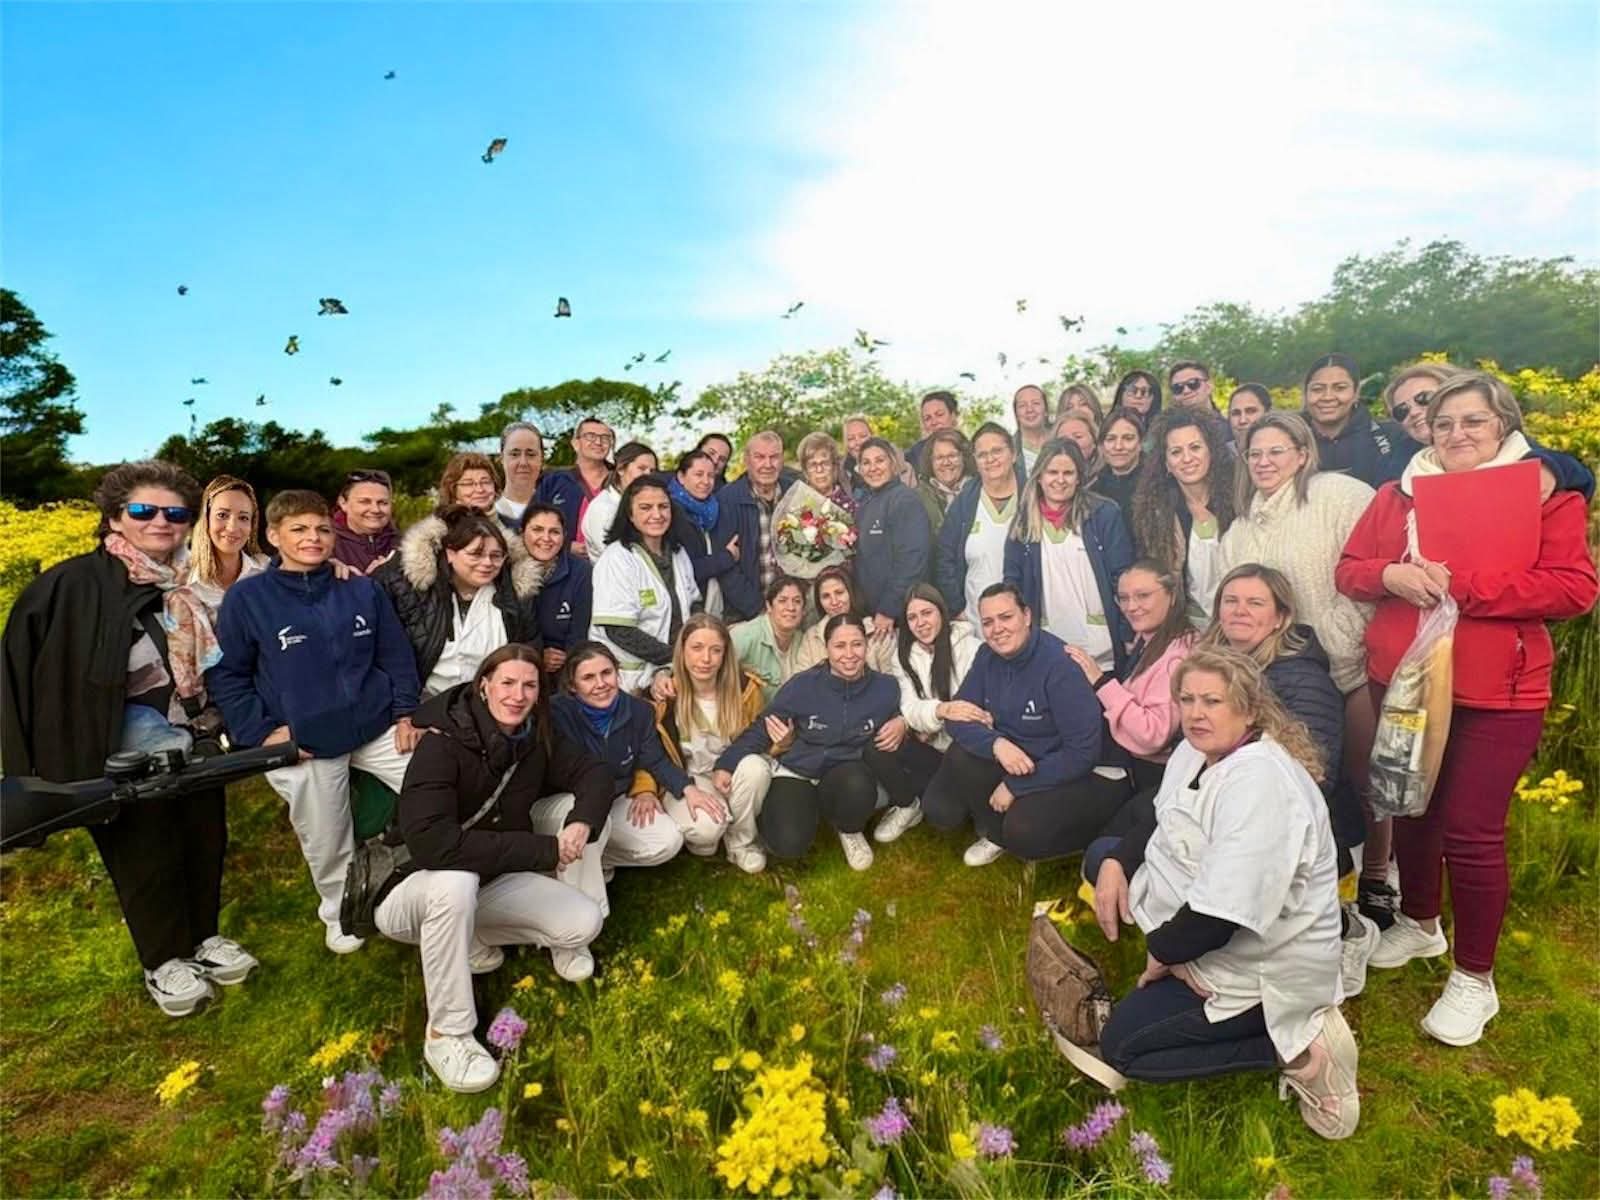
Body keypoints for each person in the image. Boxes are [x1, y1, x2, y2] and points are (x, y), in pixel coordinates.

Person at [1336, 371, 1597, 1045]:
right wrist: (1390, 574)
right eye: (1444, 423)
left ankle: (1474, 978)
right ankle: (1421, 922)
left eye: (1473, 421)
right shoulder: (1399, 492)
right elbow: (1351, 569)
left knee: (1473, 831)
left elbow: (1573, 588)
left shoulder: (1544, 493)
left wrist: (1464, 587)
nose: (1456, 433)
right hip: (1404, 680)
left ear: (1503, 424)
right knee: (1411, 806)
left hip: (1497, 689)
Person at [2, 460, 257, 1017]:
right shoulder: (70, 586)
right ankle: (163, 961)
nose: (160, 522)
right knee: (145, 852)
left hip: (193, 738)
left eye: (175, 514)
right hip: (116, 751)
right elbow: (21, 671)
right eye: (143, 510)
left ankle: (202, 937)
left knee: (203, 840)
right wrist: (29, 769)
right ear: (115, 517)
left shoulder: (182, 584)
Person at [1080, 648, 1358, 1141]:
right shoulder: (1196, 751)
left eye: (1212, 701)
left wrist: (1162, 955)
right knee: (1100, 857)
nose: (1196, 713)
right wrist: (1117, 863)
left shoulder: (1261, 784)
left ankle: (1297, 1051)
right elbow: (1161, 813)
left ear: (1249, 710)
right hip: (1196, 918)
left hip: (1257, 964)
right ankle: (1179, 973)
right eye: (1187, 699)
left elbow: (1218, 918)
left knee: (1123, 1046)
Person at [379, 645, 609, 1091]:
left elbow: (594, 773)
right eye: (507, 683)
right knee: (455, 883)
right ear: (483, 686)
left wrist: (581, 822)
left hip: (488, 881)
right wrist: (541, 851)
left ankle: (471, 937)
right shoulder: (442, 743)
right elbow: (432, 846)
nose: (517, 695)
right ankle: (447, 1033)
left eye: (529, 686)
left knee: (582, 921)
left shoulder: (533, 736)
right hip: (413, 890)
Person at [208, 489, 420, 955]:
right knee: (326, 835)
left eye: (322, 529)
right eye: (299, 529)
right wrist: (264, 733)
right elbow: (227, 674)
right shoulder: (248, 599)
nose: (313, 538)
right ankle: (340, 911)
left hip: (375, 723)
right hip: (305, 740)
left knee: (437, 779)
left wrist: (406, 712)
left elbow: (396, 655)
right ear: (273, 536)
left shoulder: (359, 589)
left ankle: (424, 877)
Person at [921, 583, 1105, 866]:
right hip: (1010, 755)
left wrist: (1016, 786)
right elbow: (957, 716)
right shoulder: (987, 656)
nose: (997, 629)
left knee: (1023, 830)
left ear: (1027, 616)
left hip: (1055, 766)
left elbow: (1082, 753)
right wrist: (996, 744)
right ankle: (995, 832)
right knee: (945, 793)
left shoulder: (1060, 666)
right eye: (988, 622)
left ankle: (1073, 838)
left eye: (1006, 617)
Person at [715, 613, 904, 871]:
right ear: (827, 649)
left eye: (857, 644)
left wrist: (902, 721)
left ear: (866, 645)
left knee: (860, 785)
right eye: (840, 646)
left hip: (845, 772)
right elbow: (763, 727)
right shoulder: (803, 685)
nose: (849, 654)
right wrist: (727, 764)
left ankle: (849, 829)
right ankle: (793, 815)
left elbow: (904, 711)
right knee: (788, 844)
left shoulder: (885, 688)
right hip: (798, 770)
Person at [550, 642, 707, 880]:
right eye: (588, 678)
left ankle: (601, 858)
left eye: (606, 673)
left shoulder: (639, 711)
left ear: (618, 672)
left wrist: (688, 788)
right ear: (572, 685)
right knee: (582, 820)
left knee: (668, 841)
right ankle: (575, 873)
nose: (601, 684)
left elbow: (655, 759)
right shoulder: (556, 713)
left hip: (615, 798)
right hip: (571, 801)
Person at [648, 613, 775, 873]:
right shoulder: (666, 696)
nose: (705, 659)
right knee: (706, 834)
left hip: (732, 772)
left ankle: (741, 842)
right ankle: (714, 829)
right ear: (682, 651)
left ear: (725, 654)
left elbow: (758, 737)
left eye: (715, 650)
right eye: (697, 648)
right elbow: (649, 752)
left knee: (756, 768)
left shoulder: (745, 688)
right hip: (688, 778)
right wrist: (648, 789)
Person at [373, 506, 544, 699]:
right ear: (450, 554)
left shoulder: (515, 595)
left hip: (493, 704)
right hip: (424, 704)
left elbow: (529, 653)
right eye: (476, 554)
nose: (487, 563)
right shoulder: (413, 592)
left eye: (496, 556)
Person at [1003, 439, 1134, 676]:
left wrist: (1127, 632)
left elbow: (1123, 578)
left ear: (1079, 478)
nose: (1060, 480)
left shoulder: (1103, 514)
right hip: (1047, 647)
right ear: (1039, 476)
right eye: (1052, 472)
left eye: (1068, 473)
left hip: (1100, 648)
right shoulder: (1024, 523)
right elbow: (1013, 586)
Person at [1067, 559, 1196, 792]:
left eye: (1143, 596)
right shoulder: (1148, 639)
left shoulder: (1178, 655)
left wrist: (1101, 682)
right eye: (1123, 598)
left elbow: (1152, 734)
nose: (1131, 607)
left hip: (1158, 777)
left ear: (1172, 595)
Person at [164, 476, 272, 732]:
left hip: (267, 693)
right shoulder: (178, 582)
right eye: (223, 515)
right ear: (205, 518)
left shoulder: (267, 572)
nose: (233, 527)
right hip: (203, 707)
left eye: (243, 518)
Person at [878, 584, 983, 844]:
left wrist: (932, 720)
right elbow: (910, 707)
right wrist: (940, 710)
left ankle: (981, 808)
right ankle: (914, 803)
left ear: (941, 612)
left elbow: (974, 709)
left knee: (945, 808)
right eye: (912, 617)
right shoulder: (903, 656)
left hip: (969, 748)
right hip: (934, 747)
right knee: (883, 740)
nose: (921, 623)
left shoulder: (972, 648)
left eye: (927, 613)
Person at [590, 476, 701, 694]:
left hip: (671, 669)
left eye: (663, 507)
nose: (657, 515)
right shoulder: (617, 558)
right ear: (630, 515)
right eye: (646, 508)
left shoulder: (678, 553)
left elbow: (694, 604)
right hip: (630, 679)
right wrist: (677, 656)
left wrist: (693, 647)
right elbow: (619, 630)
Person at [1132, 410, 1237, 628]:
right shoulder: (1157, 516)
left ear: (1211, 452)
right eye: (1176, 452)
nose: (1187, 459)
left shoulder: (1239, 503)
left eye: (1195, 447)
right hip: (1189, 627)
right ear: (1166, 463)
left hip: (1241, 621)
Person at [937, 422, 1026, 622]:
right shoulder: (964, 503)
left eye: (997, 451)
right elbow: (944, 557)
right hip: (976, 617)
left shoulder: (1032, 497)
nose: (990, 459)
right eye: (982, 455)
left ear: (1013, 454)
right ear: (975, 461)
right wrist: (956, 607)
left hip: (1025, 615)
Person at [853, 436, 932, 639]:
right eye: (866, 463)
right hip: (873, 615)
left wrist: (889, 608)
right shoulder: (865, 505)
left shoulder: (905, 500)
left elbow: (912, 559)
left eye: (879, 460)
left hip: (899, 616)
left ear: (893, 463)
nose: (873, 468)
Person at [1299, 353, 1417, 487]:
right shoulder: (1288, 437)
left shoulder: (1394, 437)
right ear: (1306, 394)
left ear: (1356, 393)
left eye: (1340, 388)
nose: (1327, 397)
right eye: (1317, 389)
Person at [712, 431, 791, 622]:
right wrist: (758, 609)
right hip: (745, 614)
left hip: (791, 609)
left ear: (782, 460)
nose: (767, 464)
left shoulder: (794, 492)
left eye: (774, 457)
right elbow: (726, 567)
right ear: (747, 460)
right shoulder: (727, 500)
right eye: (759, 457)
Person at [521, 502, 592, 682]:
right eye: (537, 530)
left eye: (554, 532)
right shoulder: (509, 571)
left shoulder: (581, 571)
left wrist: (568, 661)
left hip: (566, 667)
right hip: (521, 662)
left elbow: (579, 632)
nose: (546, 538)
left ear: (564, 537)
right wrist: (537, 654)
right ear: (522, 532)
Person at [668, 448, 736, 617]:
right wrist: (727, 557)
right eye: (698, 474)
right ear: (681, 477)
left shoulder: (714, 509)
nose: (706, 481)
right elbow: (682, 570)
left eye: (711, 476)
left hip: (714, 601)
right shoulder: (671, 514)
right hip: (688, 608)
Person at [792, 565, 895, 675]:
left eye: (839, 593)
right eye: (826, 596)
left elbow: (893, 679)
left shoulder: (877, 631)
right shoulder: (812, 636)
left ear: (851, 593)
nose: (834, 602)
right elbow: (799, 680)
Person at [494, 420, 584, 534]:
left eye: (531, 454)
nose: (523, 462)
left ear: (542, 458)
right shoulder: (486, 513)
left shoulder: (566, 508)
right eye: (514, 454)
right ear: (501, 458)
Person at [729, 575, 811, 700]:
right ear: (769, 606)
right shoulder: (745, 636)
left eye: (797, 601)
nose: (791, 607)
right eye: (782, 601)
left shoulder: (804, 641)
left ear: (804, 610)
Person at [579, 442, 659, 563]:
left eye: (652, 471)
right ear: (621, 469)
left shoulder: (637, 502)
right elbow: (616, 557)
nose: (648, 475)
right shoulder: (603, 508)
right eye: (641, 468)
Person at [332, 468, 400, 574]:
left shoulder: (405, 545)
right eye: (365, 502)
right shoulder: (323, 545)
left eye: (383, 503)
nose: (375, 510)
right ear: (343, 503)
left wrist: (391, 576)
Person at [1091, 407, 1145, 531]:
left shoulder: (1159, 484)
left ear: (1140, 443)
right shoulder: (1093, 491)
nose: (1118, 446)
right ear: (1102, 446)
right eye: (1111, 439)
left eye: (1128, 438)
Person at [912, 428, 975, 534]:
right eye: (939, 457)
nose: (946, 463)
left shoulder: (981, 489)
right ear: (930, 462)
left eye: (952, 456)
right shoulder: (917, 499)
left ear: (964, 457)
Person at [796, 430, 859, 516]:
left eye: (825, 463)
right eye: (813, 464)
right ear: (805, 470)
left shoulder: (851, 505)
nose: (819, 469)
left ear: (834, 466)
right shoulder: (797, 506)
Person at [905, 390, 959, 476]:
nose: (934, 422)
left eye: (939, 414)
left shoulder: (971, 450)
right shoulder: (914, 456)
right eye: (928, 418)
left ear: (953, 415)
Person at [1052, 411, 1102, 484]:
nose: (1070, 442)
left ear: (1094, 441)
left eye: (1078, 437)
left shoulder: (1106, 477)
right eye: (1063, 438)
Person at [1013, 384, 1053, 472]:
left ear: (1046, 410)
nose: (1029, 410)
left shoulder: (1061, 438)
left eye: (1036, 403)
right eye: (1022, 405)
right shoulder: (1009, 450)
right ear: (1016, 414)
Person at [1226, 384, 1272, 450]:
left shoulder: (1284, 450)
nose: (1242, 420)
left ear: (1268, 413)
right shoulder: (1217, 453)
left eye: (1250, 411)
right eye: (1236, 413)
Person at [841, 414, 873, 488]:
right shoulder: (841, 473)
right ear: (845, 443)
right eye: (851, 438)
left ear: (872, 436)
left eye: (863, 436)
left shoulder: (893, 462)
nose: (858, 442)